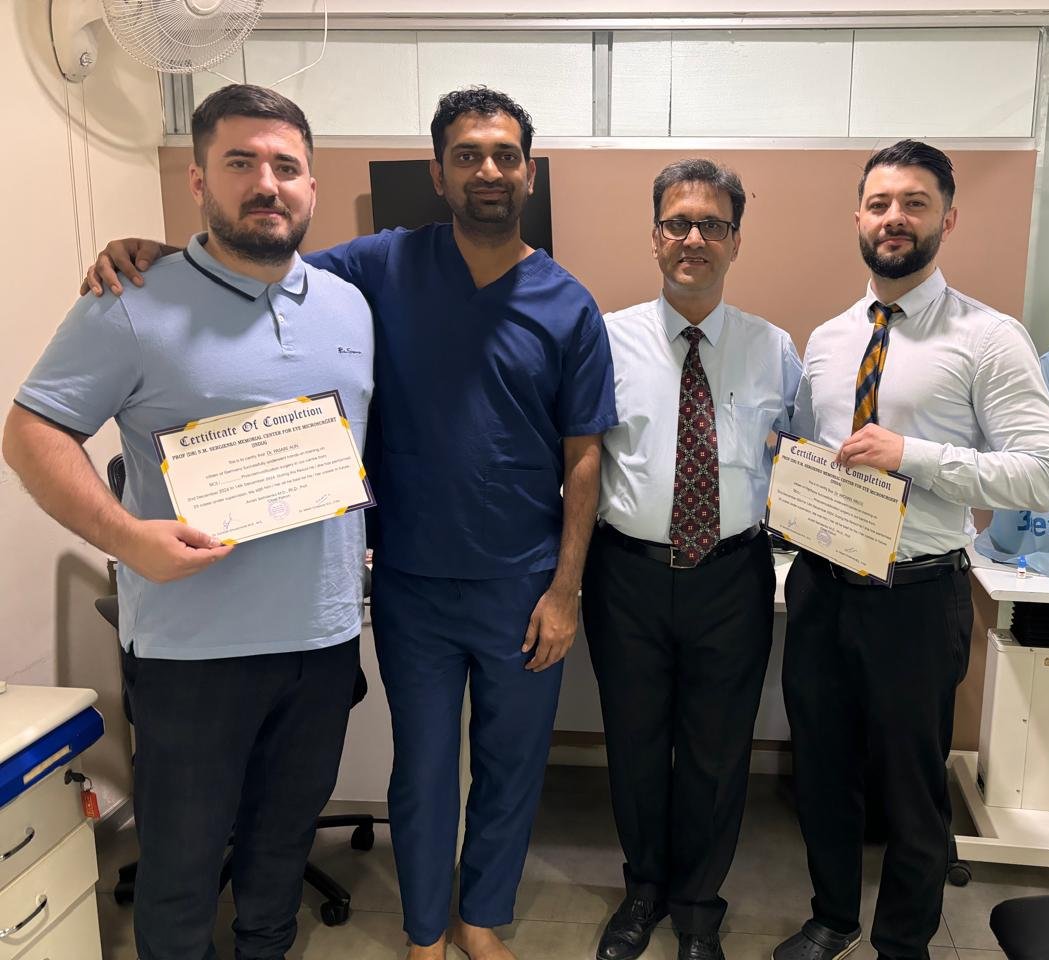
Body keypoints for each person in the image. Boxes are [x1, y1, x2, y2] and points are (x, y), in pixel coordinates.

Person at [81, 86, 616, 960]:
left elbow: (584, 455)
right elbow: (258, 259)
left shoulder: (569, 304)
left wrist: (566, 590)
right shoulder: (380, 266)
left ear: (528, 173)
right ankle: (424, 930)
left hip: (523, 585)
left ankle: (481, 917)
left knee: (514, 764)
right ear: (439, 174)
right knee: (424, 766)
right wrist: (161, 257)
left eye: (505, 155)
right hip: (411, 581)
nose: (488, 170)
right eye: (468, 155)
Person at [4, 84, 373, 960]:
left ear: (312, 185)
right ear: (199, 181)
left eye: (286, 166)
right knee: (181, 864)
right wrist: (126, 539)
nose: (267, 183)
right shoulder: (131, 300)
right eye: (240, 162)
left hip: (322, 642)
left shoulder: (348, 306)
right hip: (193, 654)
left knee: (282, 847)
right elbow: (30, 434)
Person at [774, 140, 1049, 960]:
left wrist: (913, 455)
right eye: (879, 204)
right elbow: (817, 449)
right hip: (823, 584)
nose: (893, 218)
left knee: (910, 789)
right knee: (822, 772)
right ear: (858, 218)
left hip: (916, 593)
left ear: (948, 218)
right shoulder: (829, 338)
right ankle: (833, 917)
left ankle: (903, 944)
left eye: (914, 203)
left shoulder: (990, 337)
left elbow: (1043, 476)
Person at [584, 159, 802, 960]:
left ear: (736, 241)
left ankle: (699, 909)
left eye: (712, 225)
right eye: (678, 222)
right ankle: (643, 890)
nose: (694, 239)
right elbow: (577, 459)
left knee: (718, 751)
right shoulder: (605, 340)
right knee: (634, 742)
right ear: (655, 236)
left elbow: (803, 458)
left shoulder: (774, 348)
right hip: (627, 575)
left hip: (732, 577)